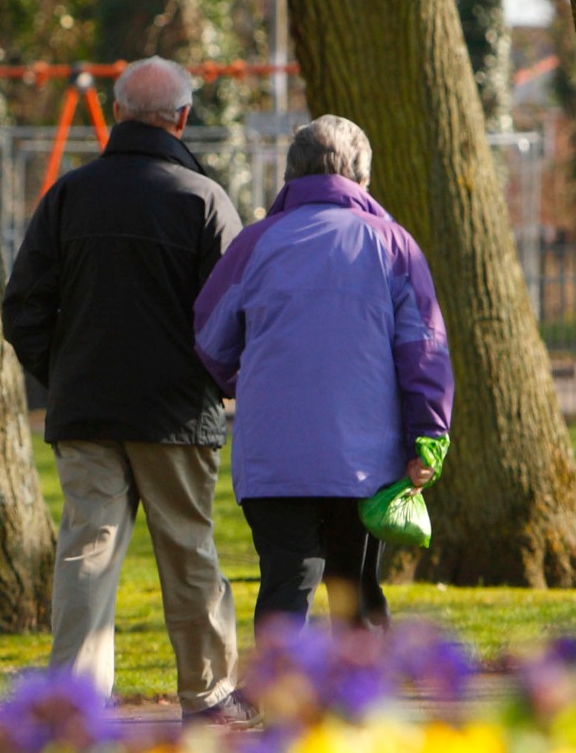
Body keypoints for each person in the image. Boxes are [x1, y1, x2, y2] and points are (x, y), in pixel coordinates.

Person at [1, 56, 258, 728]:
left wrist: (62, 373)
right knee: (189, 550)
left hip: (86, 407)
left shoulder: (67, 196)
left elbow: (24, 304)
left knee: (87, 551)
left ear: (116, 113)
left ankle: (74, 706)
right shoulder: (203, 200)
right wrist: (214, 381)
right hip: (176, 411)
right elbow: (236, 312)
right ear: (182, 116)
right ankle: (206, 696)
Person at [193, 115, 454, 638]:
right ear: (362, 177)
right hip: (362, 454)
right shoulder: (394, 245)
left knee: (286, 580)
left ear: (292, 174)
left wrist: (245, 384)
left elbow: (210, 337)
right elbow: (423, 347)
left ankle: (273, 694)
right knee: (352, 584)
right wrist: (428, 434)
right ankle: (363, 699)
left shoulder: (256, 242)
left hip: (273, 451)